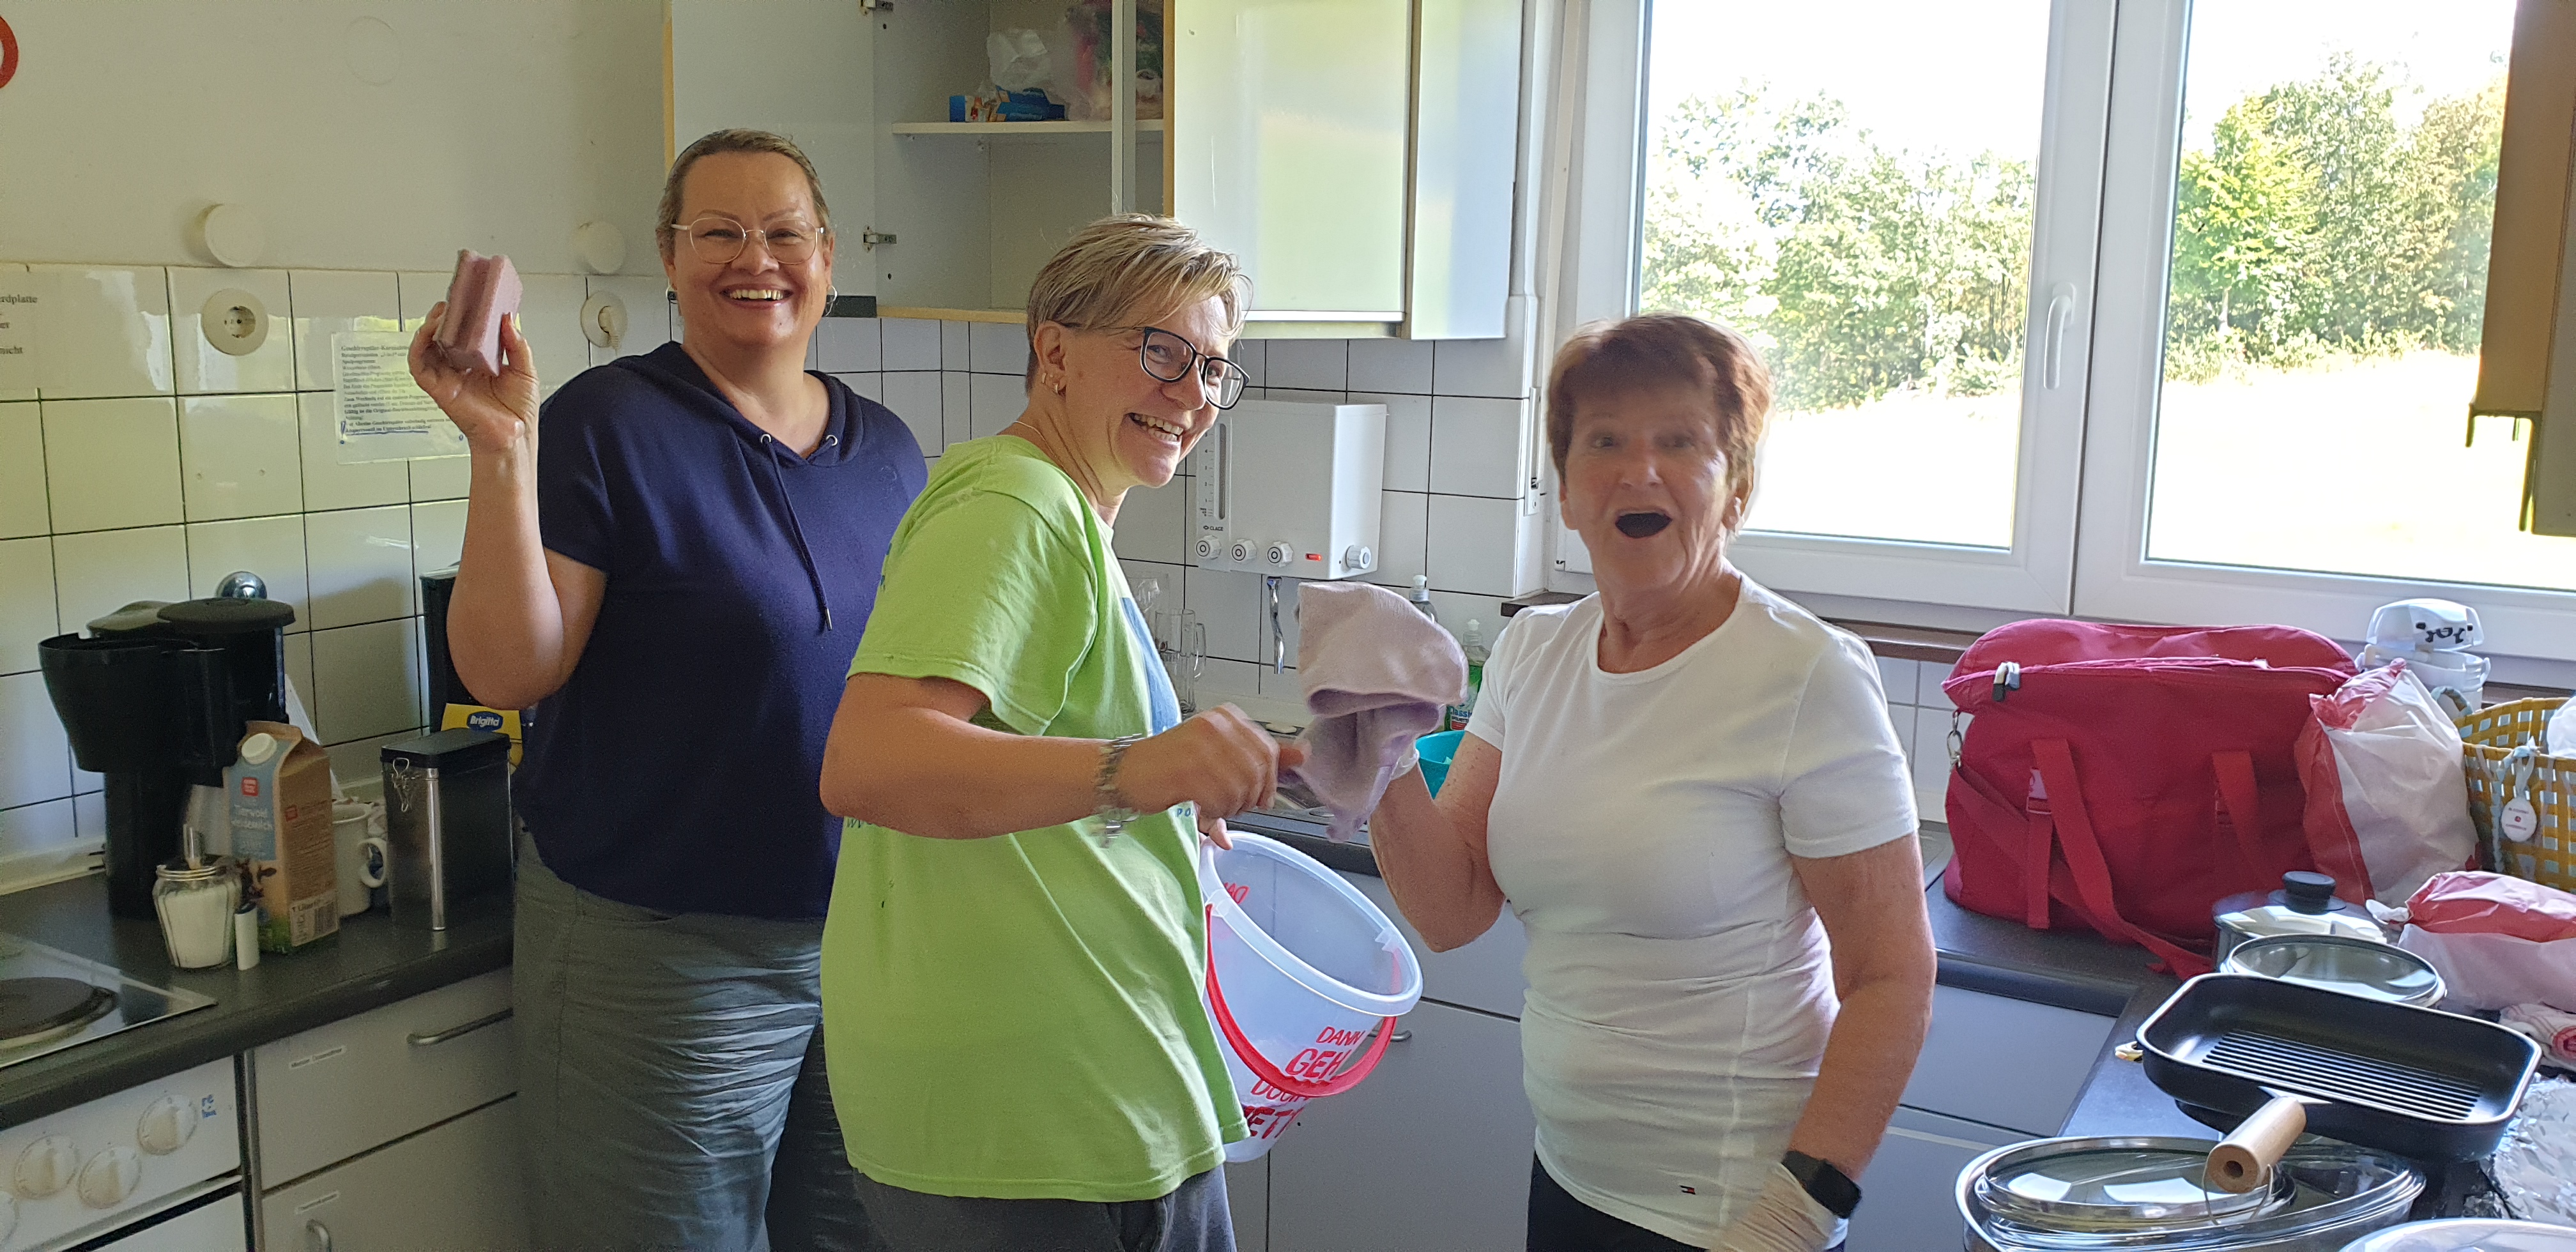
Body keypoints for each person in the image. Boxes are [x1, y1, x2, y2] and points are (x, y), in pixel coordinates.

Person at [408, 128, 924, 1251]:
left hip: (860, 940)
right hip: (662, 953)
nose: (757, 258)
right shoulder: (607, 423)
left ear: (828, 253)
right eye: (720, 232)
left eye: (784, 232)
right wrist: (501, 450)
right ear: (670, 255)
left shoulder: (887, 452)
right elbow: (510, 670)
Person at [1365, 314, 1937, 1252]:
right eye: (1605, 442)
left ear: (1736, 488)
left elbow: (1891, 974)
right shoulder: (1533, 651)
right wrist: (1377, 754)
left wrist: (1798, 1213)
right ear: (1566, 493)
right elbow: (1452, 908)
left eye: (1679, 442)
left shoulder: (1806, 675)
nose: (1639, 470)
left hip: (1733, 1211)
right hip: (1569, 1178)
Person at [816, 214, 1294, 1252]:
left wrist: (1158, 792)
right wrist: (1138, 768)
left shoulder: (1064, 511)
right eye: (1161, 351)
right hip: (1033, 1116)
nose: (1192, 394)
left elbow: (1026, 769)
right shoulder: (1018, 503)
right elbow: (870, 762)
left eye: (1214, 368)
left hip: (1065, 1099)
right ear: (1056, 351)